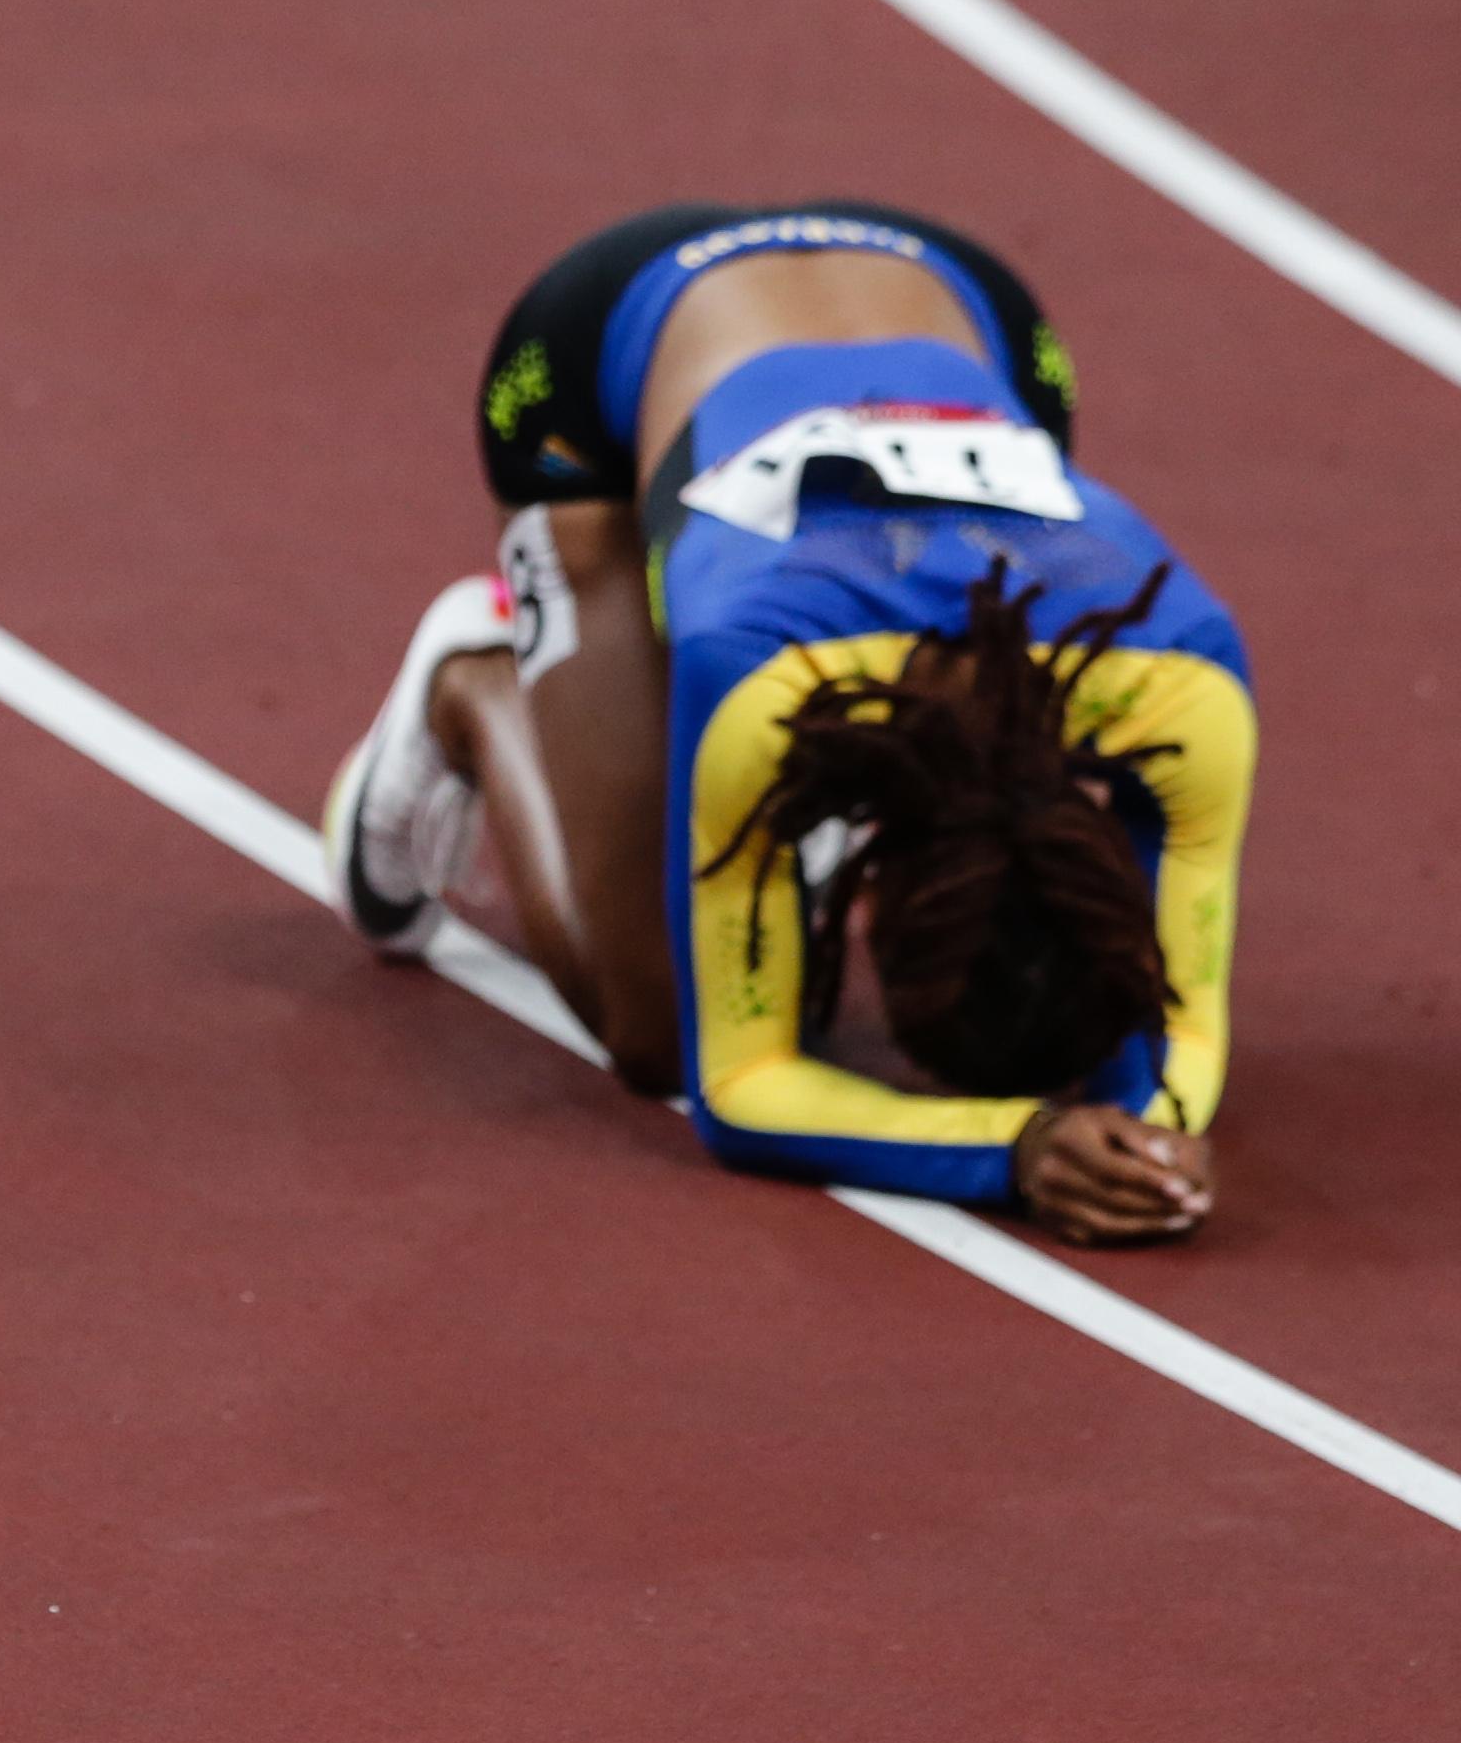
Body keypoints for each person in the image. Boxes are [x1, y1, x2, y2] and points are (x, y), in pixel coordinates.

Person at [323, 202, 1250, 1245]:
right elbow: (738, 1088)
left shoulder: (1187, 681)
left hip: (973, 309)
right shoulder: (761, 680)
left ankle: (759, 817)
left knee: (753, 937)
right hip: (596, 353)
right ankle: (477, 685)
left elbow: (1176, 1020)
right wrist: (1021, 1148)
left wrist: (1144, 1136)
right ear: (877, 890)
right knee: (656, 1027)